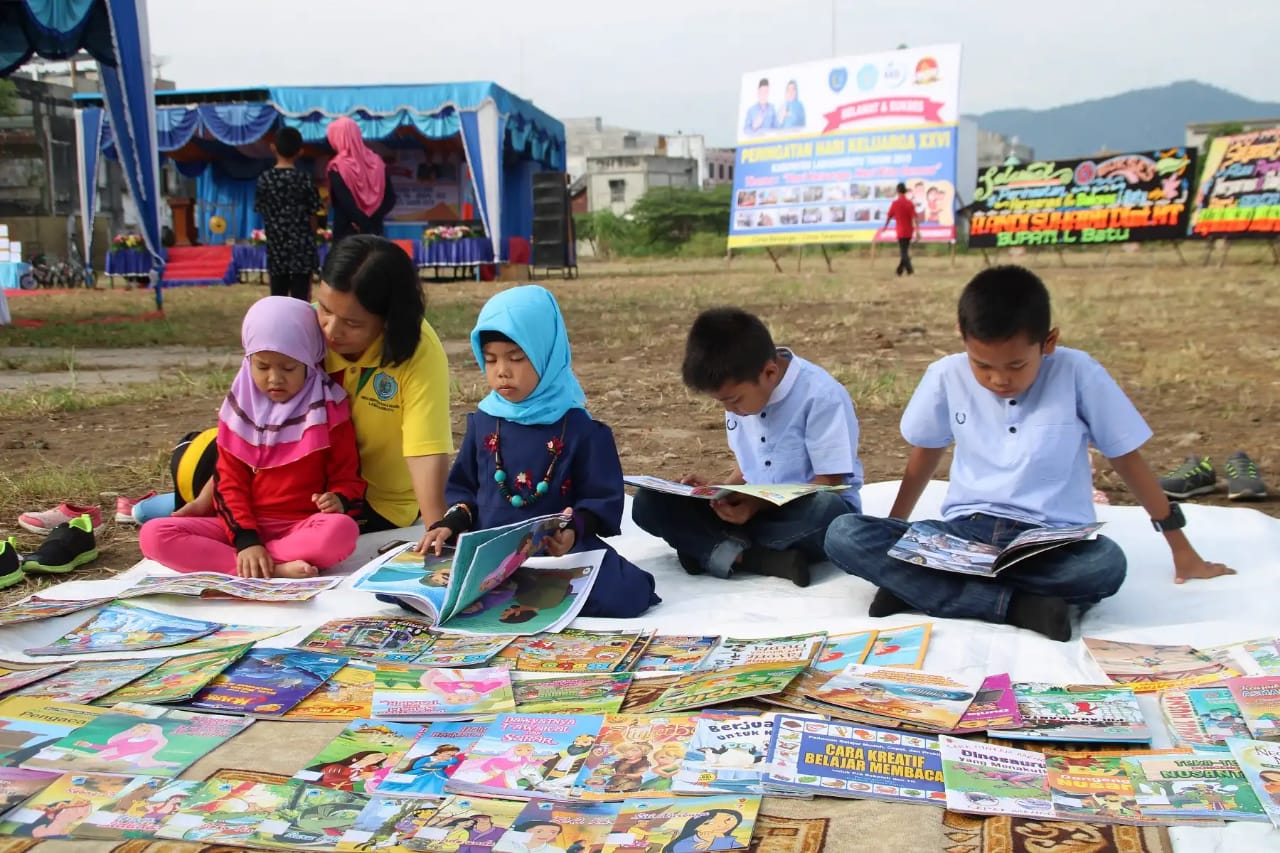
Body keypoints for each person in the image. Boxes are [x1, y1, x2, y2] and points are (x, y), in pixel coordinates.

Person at [823, 265, 1235, 641]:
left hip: (1048, 540)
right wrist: (898, 536)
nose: (999, 379)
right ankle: (1017, 606)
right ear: (962, 338)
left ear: (1049, 342)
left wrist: (1181, 549)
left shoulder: (1079, 373)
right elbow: (924, 456)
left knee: (1105, 565)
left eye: (1016, 365)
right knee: (844, 534)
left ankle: (919, 590)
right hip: (967, 533)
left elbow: (1126, 458)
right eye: (982, 365)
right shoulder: (945, 375)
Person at [139, 236, 454, 551]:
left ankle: (253, 546)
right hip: (277, 482)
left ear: (388, 320)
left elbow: (425, 450)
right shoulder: (299, 326)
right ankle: (191, 507)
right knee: (197, 453)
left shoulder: (417, 351)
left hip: (355, 500)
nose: (330, 330)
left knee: (331, 533)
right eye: (326, 309)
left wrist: (435, 530)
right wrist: (207, 501)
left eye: (352, 323)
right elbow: (247, 424)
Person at [420, 285, 660, 619]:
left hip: (556, 555)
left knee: (628, 593)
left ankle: (508, 594)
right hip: (489, 556)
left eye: (516, 358)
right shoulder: (485, 421)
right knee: (417, 588)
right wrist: (449, 524)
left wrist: (572, 531)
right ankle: (509, 590)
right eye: (490, 360)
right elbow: (465, 492)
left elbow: (599, 500)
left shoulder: (579, 429)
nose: (502, 370)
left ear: (546, 353)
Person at [632, 308, 861, 588]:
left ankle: (711, 548)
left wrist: (756, 505)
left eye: (734, 400)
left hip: (801, 512)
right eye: (723, 404)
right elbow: (750, 465)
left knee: (828, 512)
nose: (731, 410)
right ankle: (753, 556)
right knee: (648, 502)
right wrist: (718, 494)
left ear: (769, 373)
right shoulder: (743, 389)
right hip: (752, 511)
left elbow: (829, 483)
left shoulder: (821, 396)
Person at [139, 297, 364, 578]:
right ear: (248, 361)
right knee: (153, 535)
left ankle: (243, 566)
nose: (274, 379)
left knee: (341, 532)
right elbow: (229, 482)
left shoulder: (330, 410)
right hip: (240, 528)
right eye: (262, 366)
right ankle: (275, 569)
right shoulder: (239, 411)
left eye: (288, 367)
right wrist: (247, 541)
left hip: (300, 526)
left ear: (310, 360)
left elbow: (348, 476)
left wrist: (339, 499)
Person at [254, 126, 322, 301]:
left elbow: (262, 211)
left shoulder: (265, 180)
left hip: (276, 247)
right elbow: (313, 214)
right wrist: (312, 239)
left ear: (273, 148)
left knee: (278, 297)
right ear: (300, 152)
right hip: (302, 247)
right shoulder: (305, 178)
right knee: (301, 298)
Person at [326, 117, 396, 241]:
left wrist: (360, 222)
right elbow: (390, 198)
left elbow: (345, 202)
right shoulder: (377, 162)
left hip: (347, 234)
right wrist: (371, 220)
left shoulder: (337, 166)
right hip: (375, 233)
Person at [880, 182, 917, 276]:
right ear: (905, 191)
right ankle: (899, 270)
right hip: (909, 231)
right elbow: (914, 218)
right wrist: (917, 230)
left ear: (897, 191)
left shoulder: (895, 203)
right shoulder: (910, 203)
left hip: (900, 231)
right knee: (905, 251)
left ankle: (910, 270)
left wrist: (885, 227)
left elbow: (889, 216)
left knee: (903, 252)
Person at [664, 809, 743, 853]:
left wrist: (717, 840)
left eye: (728, 819)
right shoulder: (683, 844)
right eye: (709, 823)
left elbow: (740, 847)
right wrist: (719, 841)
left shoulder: (726, 839)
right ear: (696, 827)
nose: (722, 825)